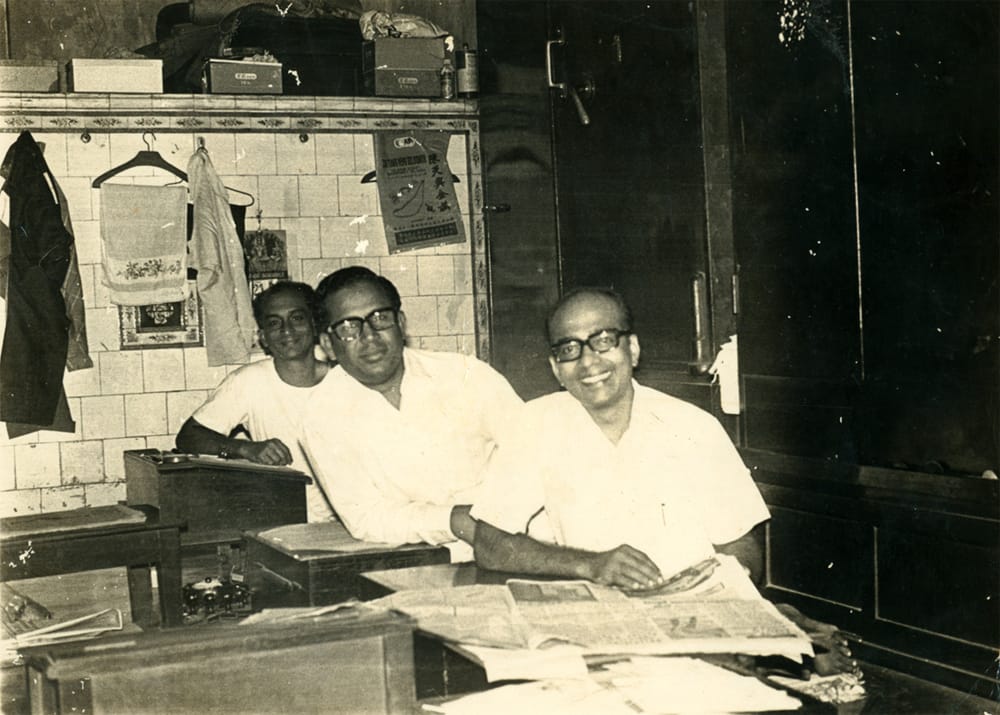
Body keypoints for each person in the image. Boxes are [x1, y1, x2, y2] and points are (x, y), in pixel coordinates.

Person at [471, 287, 857, 675]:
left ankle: (767, 637)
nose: (588, 361)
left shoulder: (694, 427)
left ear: (632, 349)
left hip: (696, 610)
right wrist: (591, 564)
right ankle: (780, 639)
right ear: (556, 368)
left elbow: (741, 546)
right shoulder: (534, 425)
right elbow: (489, 544)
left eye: (604, 340)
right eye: (569, 348)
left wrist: (726, 594)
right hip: (601, 617)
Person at [299, 266, 524, 556]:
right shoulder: (322, 417)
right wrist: (458, 521)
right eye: (349, 328)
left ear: (401, 324)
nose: (369, 336)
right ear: (328, 345)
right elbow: (367, 517)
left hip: (521, 534)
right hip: (420, 561)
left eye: (380, 318)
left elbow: (533, 452)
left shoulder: (465, 375)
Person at [175, 280, 335, 522]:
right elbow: (189, 437)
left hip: (356, 520)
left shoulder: (346, 379)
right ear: (263, 338)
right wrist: (245, 449)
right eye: (274, 323)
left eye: (297, 318)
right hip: (289, 523)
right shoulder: (250, 381)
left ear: (315, 325)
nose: (287, 329)